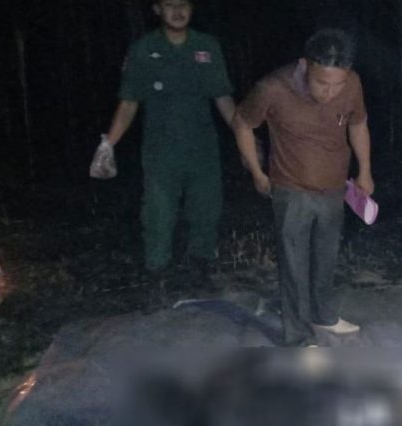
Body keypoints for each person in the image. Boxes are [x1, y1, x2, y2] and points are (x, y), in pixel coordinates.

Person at [232, 28, 374, 346]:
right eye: (322, 83)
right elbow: (241, 122)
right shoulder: (272, 88)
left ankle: (323, 315)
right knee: (294, 263)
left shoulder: (352, 83)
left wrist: (365, 170)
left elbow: (358, 123)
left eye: (337, 84)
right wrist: (256, 171)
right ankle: (297, 336)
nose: (330, 92)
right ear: (305, 65)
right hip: (291, 188)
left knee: (326, 256)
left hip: (334, 187)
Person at [90, 0, 236, 282]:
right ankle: (157, 272)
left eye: (183, 4)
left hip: (203, 147)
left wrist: (245, 138)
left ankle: (200, 266)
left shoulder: (207, 46)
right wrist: (108, 145)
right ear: (157, 9)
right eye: (170, 4)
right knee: (158, 212)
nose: (178, 11)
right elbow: (129, 102)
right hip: (160, 150)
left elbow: (223, 97)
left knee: (206, 208)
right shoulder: (143, 49)